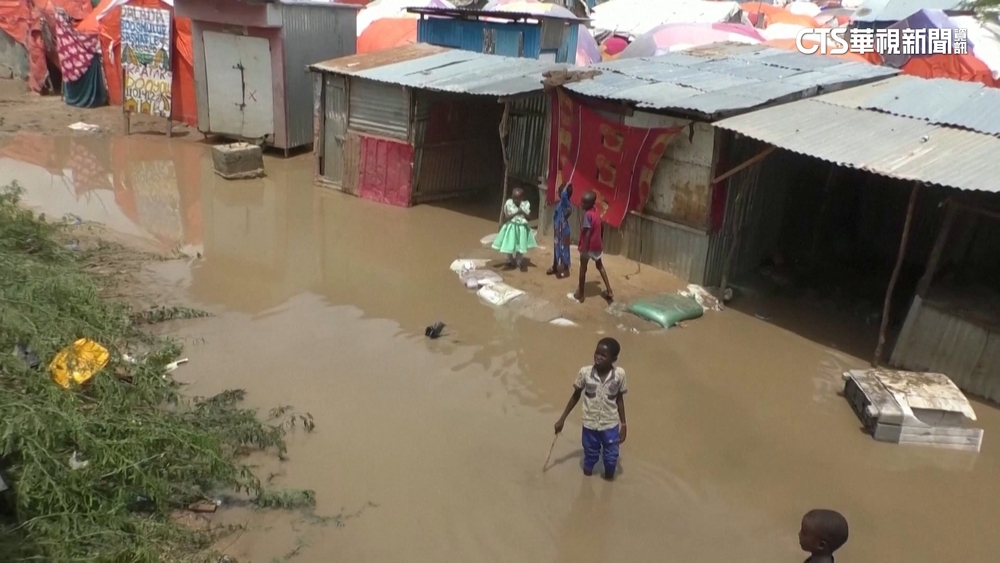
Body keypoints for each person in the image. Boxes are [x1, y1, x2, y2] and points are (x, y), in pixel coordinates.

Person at [553, 337, 627, 481]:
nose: (598, 357)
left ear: (613, 359)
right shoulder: (585, 373)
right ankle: (586, 486)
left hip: (610, 424)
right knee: (590, 456)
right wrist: (562, 419)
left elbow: (619, 399)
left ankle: (608, 485)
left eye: (603, 355)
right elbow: (575, 396)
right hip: (589, 425)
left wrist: (624, 424)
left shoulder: (620, 375)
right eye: (597, 353)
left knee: (611, 458)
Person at [574, 191, 613, 303]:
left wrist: (584, 249)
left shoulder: (587, 215)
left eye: (583, 203)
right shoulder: (596, 212)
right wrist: (600, 239)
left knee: (583, 269)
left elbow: (587, 232)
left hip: (588, 247)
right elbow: (602, 225)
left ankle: (581, 294)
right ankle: (609, 290)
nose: (581, 204)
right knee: (600, 266)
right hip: (597, 246)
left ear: (588, 204)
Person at [492, 188, 537, 272]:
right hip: (511, 227)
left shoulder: (525, 204)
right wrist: (516, 213)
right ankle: (509, 261)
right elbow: (506, 218)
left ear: (522, 198)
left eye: (518, 198)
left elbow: (529, 218)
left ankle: (519, 261)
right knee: (509, 244)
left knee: (521, 245)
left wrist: (522, 211)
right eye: (514, 198)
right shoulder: (509, 204)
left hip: (522, 228)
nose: (515, 200)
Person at [547, 183, 573, 279]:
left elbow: (563, 195)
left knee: (564, 250)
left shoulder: (566, 205)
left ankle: (566, 269)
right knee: (556, 248)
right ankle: (555, 266)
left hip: (564, 232)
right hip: (558, 231)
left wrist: (566, 187)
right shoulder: (561, 204)